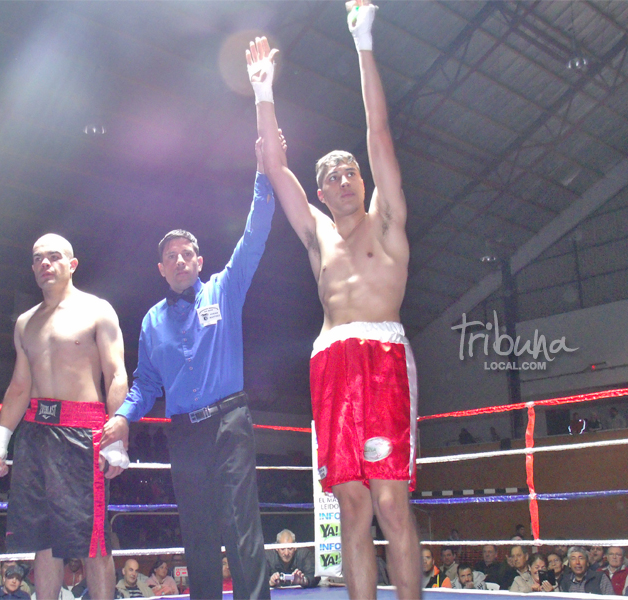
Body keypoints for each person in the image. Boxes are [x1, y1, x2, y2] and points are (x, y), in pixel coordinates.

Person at [248, 2, 420, 597]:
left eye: (351, 172)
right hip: (331, 363)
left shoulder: (387, 222)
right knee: (352, 504)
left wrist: (363, 40)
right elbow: (275, 167)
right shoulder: (317, 234)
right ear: (321, 192)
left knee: (391, 501)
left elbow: (379, 131)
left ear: (363, 181)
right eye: (332, 177)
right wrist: (263, 91)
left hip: (383, 358)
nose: (344, 180)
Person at [99, 141, 276, 599]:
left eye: (187, 253)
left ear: (199, 261)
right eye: (171, 255)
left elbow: (255, 234)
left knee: (241, 528)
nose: (180, 260)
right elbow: (145, 384)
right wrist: (124, 417)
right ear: (161, 268)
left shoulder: (225, 289)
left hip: (230, 423)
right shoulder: (151, 321)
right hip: (183, 433)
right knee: (197, 533)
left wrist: (264, 171)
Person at [0, 234, 128, 600]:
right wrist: (0, 439)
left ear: (72, 264)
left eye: (53, 256)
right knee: (43, 540)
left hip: (83, 431)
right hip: (35, 432)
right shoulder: (25, 322)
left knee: (93, 542)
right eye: (38, 258)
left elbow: (116, 374)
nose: (45, 264)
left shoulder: (97, 310)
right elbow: (19, 386)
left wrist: (116, 437)